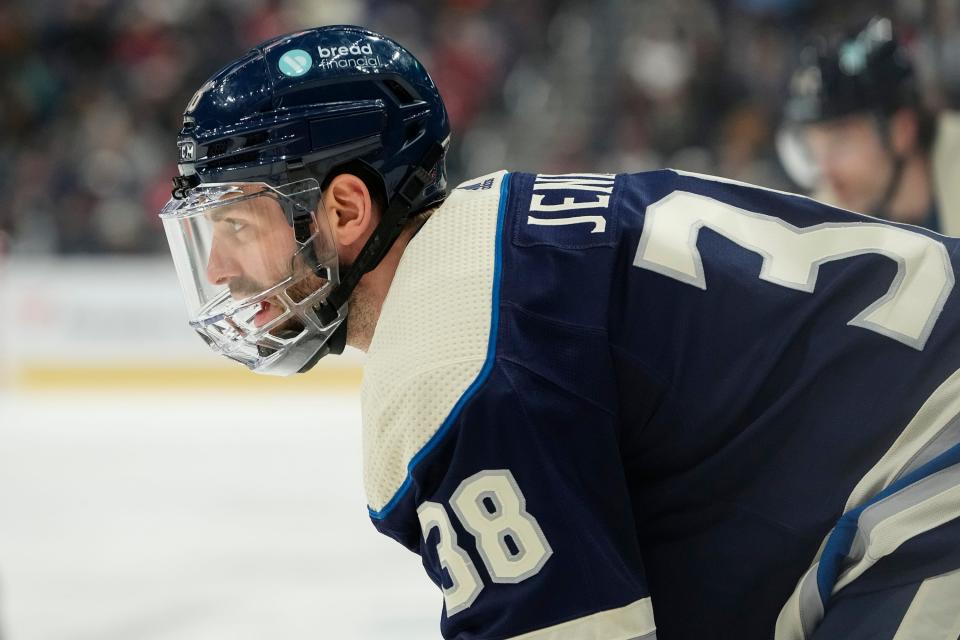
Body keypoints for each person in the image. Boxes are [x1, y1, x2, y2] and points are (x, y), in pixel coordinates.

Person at [159, 26, 960, 640]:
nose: (222, 266)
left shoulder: (448, 359)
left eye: (237, 222)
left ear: (343, 211)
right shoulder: (500, 233)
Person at [779, 16, 960, 235]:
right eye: (814, 150)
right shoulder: (832, 209)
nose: (827, 172)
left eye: (840, 142)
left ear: (902, 130)